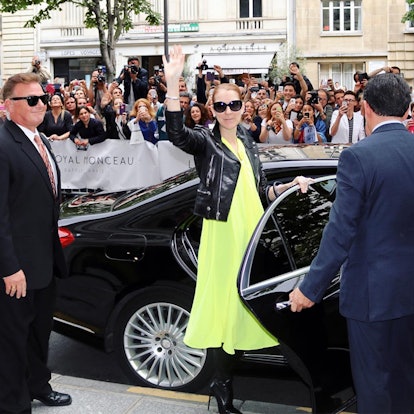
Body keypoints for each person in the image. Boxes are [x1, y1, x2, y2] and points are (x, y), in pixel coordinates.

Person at [163, 45, 313, 414]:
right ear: (212, 110)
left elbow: (259, 188)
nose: (228, 112)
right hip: (223, 232)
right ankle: (222, 385)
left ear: (244, 107)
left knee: (248, 306)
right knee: (223, 308)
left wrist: (289, 186)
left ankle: (231, 375)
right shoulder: (206, 142)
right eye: (220, 106)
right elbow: (178, 135)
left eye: (234, 105)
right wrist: (172, 86)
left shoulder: (247, 138)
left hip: (251, 230)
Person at [289, 73, 414, 414]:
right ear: (407, 109)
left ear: (366, 108)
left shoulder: (358, 157)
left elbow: (340, 231)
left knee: (375, 387)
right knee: (406, 382)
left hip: (372, 298)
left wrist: (310, 288)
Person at [0, 72, 72, 412]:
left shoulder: (38, 138)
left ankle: (38, 385)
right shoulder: (2, 145)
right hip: (17, 268)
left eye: (43, 98)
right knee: (12, 341)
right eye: (32, 100)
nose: (42, 104)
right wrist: (9, 267)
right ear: (8, 105)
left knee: (39, 333)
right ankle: (14, 403)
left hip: (44, 261)